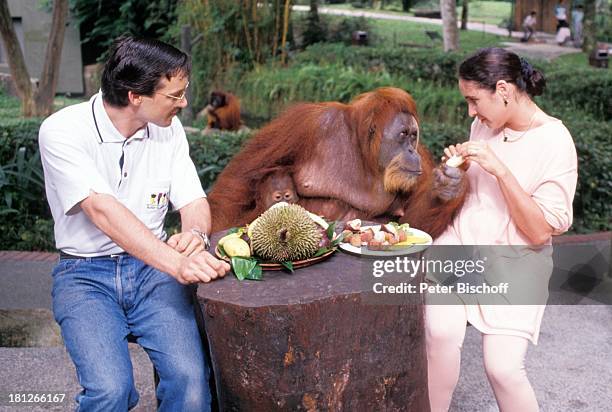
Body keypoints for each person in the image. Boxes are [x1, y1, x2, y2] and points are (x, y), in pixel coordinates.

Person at [38, 36, 230, 411]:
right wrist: (178, 264)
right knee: (110, 391)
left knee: (191, 384)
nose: (184, 104)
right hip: (84, 275)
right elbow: (102, 210)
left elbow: (193, 200)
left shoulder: (168, 130)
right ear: (134, 96)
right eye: (175, 95)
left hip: (151, 274)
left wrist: (194, 235)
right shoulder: (62, 131)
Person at [425, 47, 578, 411]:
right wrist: (452, 175)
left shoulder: (555, 141)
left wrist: (501, 171)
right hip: (461, 248)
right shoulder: (484, 125)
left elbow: (540, 232)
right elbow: (472, 199)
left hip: (517, 262)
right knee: (440, 333)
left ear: (505, 90)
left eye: (474, 100)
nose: (470, 112)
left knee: (503, 368)